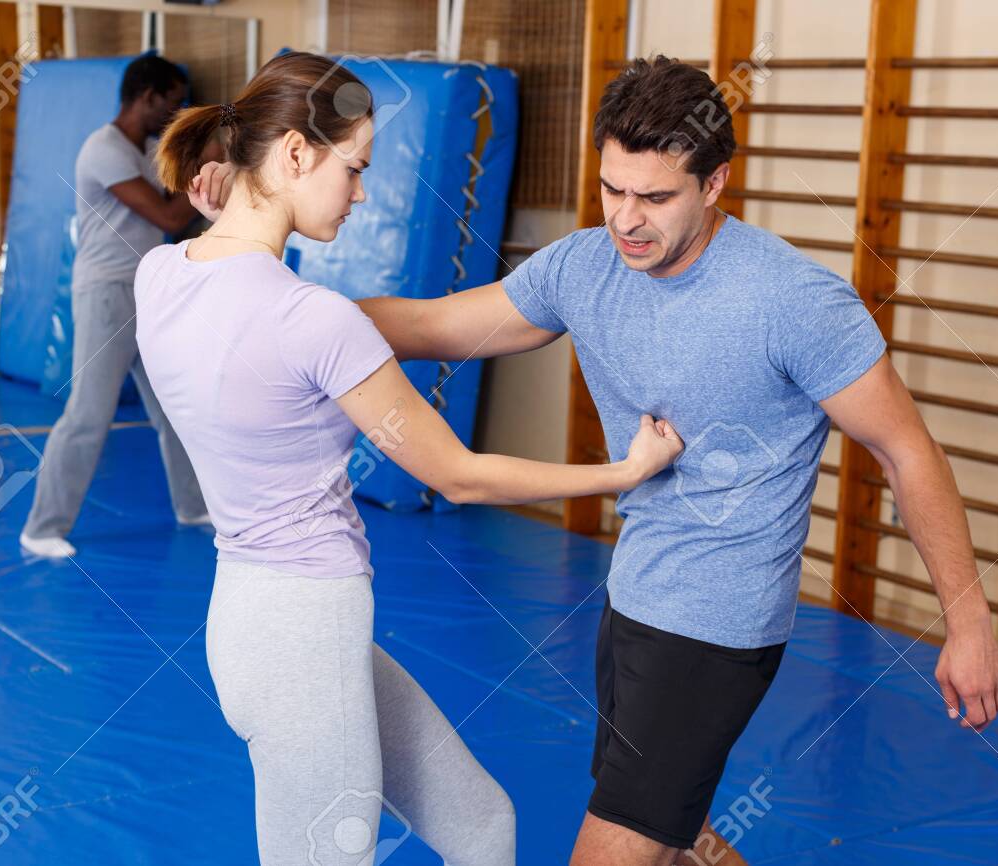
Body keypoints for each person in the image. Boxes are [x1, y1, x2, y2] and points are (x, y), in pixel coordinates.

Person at [195, 55, 998, 866]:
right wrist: (260, 282)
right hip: (634, 601)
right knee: (675, 829)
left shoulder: (792, 302)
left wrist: (968, 621)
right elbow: (433, 325)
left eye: (655, 198)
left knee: (617, 846)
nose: (626, 218)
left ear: (716, 184)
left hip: (718, 625)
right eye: (612, 190)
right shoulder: (584, 266)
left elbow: (908, 452)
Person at [138, 52, 684, 866]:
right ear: (293, 155)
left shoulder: (160, 275)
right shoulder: (312, 321)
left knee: (482, 825)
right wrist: (622, 473)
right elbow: (457, 475)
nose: (360, 193)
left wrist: (236, 205)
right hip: (301, 636)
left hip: (259, 623)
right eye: (353, 168)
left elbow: (266, 293)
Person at [20, 54, 211, 559]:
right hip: (107, 293)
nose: (176, 112)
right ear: (145, 97)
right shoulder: (103, 150)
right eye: (171, 103)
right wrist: (215, 175)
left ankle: (193, 506)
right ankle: (41, 527)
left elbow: (176, 213)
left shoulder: (147, 150)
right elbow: (170, 215)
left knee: (175, 409)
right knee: (88, 414)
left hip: (149, 291)